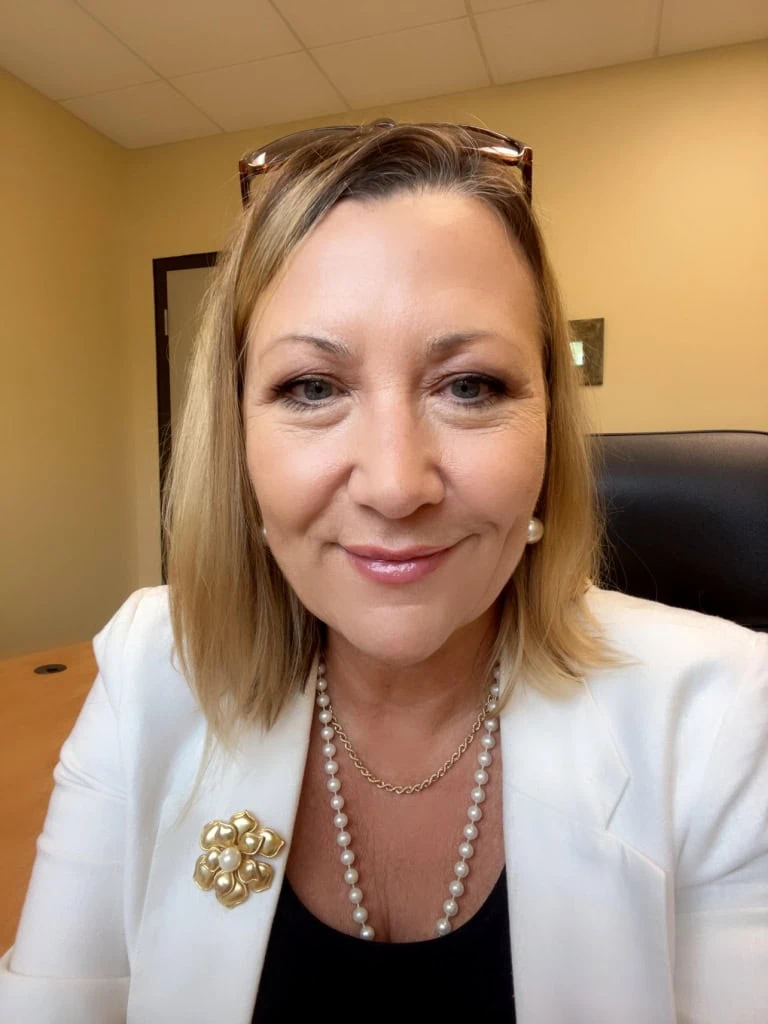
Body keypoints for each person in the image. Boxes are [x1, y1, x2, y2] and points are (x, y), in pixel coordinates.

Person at [0, 120, 766, 1023]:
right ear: (235, 442)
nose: (397, 484)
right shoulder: (148, 666)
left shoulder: (725, 713)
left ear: (550, 432)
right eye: (312, 388)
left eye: (470, 386)